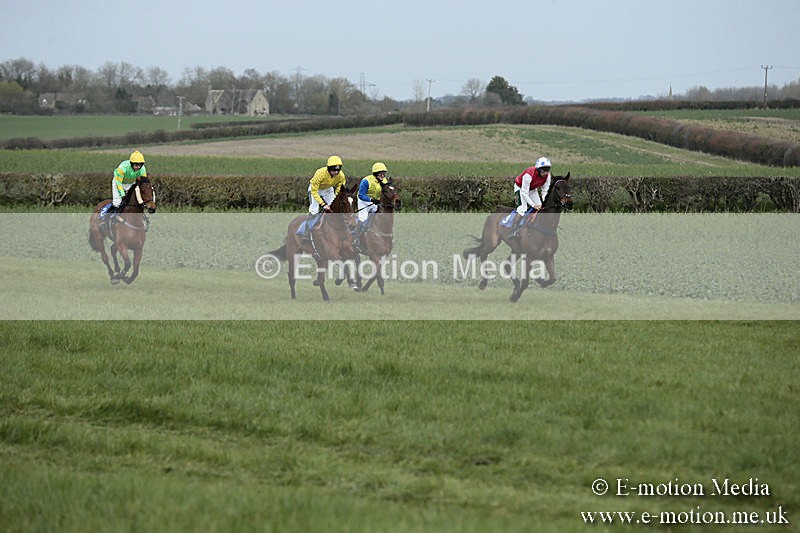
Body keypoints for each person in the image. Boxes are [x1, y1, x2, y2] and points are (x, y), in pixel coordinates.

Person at [298, 155, 347, 239]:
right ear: (328, 168)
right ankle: (306, 231)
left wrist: (336, 199)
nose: (336, 172)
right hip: (315, 190)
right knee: (314, 209)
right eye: (334, 170)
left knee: (334, 208)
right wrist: (323, 204)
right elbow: (314, 191)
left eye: (338, 170)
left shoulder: (341, 176)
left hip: (328, 190)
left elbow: (339, 189)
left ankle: (335, 228)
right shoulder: (320, 173)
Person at [509, 157, 552, 238]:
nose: (545, 173)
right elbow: (524, 193)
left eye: (547, 170)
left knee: (540, 207)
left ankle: (530, 226)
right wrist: (533, 205)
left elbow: (544, 191)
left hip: (532, 189)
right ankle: (513, 231)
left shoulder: (548, 176)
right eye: (543, 170)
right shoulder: (528, 174)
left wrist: (544, 202)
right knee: (523, 209)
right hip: (520, 188)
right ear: (538, 170)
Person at [353, 162, 388, 247]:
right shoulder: (366, 181)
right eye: (380, 174)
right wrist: (371, 200)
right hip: (364, 201)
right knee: (363, 218)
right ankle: (356, 239)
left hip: (375, 201)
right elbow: (361, 195)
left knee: (380, 216)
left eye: (384, 173)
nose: (383, 176)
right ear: (375, 173)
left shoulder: (384, 181)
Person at [107, 150, 147, 222]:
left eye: (139, 165)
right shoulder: (123, 167)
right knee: (117, 202)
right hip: (119, 182)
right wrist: (123, 195)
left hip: (131, 183)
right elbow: (118, 183)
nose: (137, 167)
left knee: (133, 201)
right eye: (135, 165)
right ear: (131, 164)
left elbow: (142, 184)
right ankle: (107, 217)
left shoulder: (143, 169)